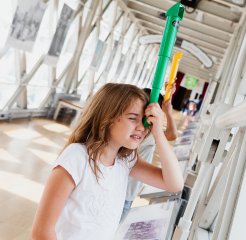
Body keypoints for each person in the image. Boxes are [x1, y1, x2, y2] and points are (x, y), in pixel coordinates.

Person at [31, 83, 184, 240]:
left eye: (145, 121)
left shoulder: (126, 160)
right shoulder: (76, 157)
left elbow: (175, 184)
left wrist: (158, 132)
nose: (142, 127)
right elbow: (42, 232)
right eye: (132, 118)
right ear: (107, 117)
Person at [121, 85, 178, 221]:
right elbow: (172, 135)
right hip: (125, 193)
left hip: (127, 192)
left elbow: (171, 135)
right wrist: (167, 113)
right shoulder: (147, 131)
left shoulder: (147, 131)